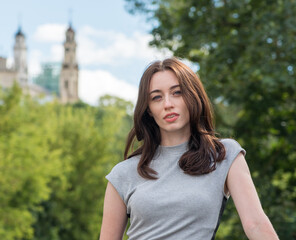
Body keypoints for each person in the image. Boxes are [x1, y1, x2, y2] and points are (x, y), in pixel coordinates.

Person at [99, 57, 279, 240]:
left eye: (177, 92)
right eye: (156, 97)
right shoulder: (123, 173)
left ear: (193, 96)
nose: (167, 104)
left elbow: (256, 225)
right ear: (149, 110)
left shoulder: (223, 155)